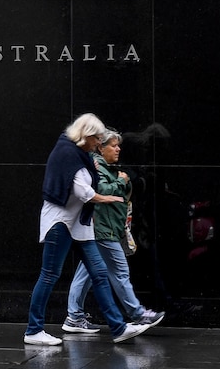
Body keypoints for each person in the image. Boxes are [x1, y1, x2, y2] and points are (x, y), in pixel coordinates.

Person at [24, 113, 150, 346]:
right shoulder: (67, 153)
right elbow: (83, 192)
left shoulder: (81, 155)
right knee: (49, 274)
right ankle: (33, 330)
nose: (99, 144)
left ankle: (118, 327)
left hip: (79, 225)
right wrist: (109, 198)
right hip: (60, 223)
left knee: (100, 273)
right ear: (87, 135)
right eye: (97, 139)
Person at [63, 130, 165, 332]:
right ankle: (137, 314)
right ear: (101, 148)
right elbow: (99, 190)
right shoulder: (97, 166)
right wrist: (121, 181)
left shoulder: (106, 166)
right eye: (113, 145)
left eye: (119, 145)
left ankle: (74, 317)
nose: (118, 149)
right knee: (120, 272)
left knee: (85, 273)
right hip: (104, 229)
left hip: (103, 228)